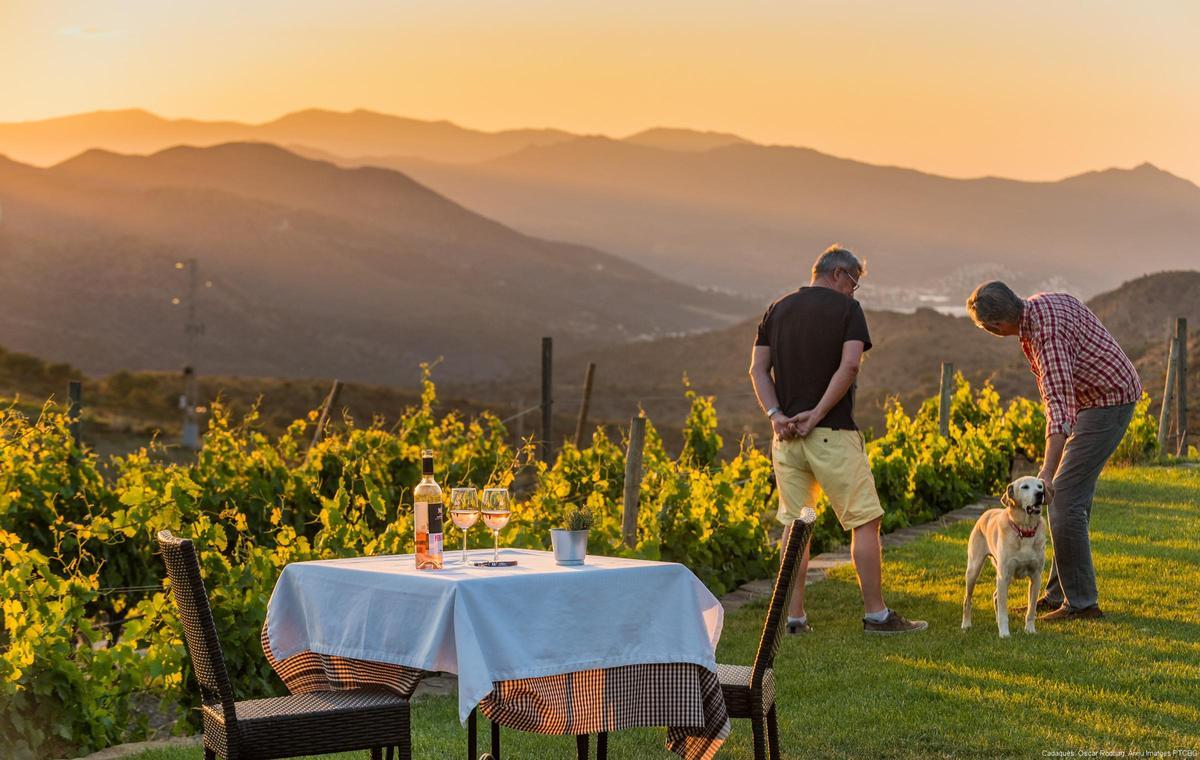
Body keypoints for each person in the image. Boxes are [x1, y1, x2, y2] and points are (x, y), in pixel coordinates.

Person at [749, 244, 927, 635]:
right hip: (831, 436)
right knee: (865, 520)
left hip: (787, 440)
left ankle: (794, 619)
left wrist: (776, 415)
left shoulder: (777, 309)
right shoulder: (848, 310)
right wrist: (816, 415)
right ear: (838, 274)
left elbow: (758, 369)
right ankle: (877, 615)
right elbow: (849, 367)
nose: (853, 290)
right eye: (854, 282)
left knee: (798, 525)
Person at [966, 281, 1141, 621]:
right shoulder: (1038, 306)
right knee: (1071, 500)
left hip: (1108, 401)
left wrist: (1046, 473)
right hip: (1098, 397)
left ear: (996, 326)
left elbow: (1059, 410)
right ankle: (1059, 594)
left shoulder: (1046, 338)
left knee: (1063, 498)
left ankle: (1082, 604)